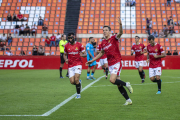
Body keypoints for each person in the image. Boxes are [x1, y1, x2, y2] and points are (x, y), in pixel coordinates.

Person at [86, 17, 133, 105]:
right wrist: (92, 60)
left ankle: (127, 84)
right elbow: (101, 53)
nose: (104, 31)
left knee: (112, 80)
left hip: (117, 61)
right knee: (118, 84)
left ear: (110, 31)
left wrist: (120, 25)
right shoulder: (103, 42)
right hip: (111, 64)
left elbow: (121, 33)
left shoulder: (114, 38)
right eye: (103, 30)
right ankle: (128, 100)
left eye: (106, 30)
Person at [63, 32, 86, 99]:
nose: (70, 39)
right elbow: (64, 54)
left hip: (78, 64)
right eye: (69, 38)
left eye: (71, 38)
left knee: (76, 79)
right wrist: (65, 59)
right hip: (70, 65)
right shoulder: (66, 46)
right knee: (72, 81)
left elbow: (85, 54)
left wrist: (82, 55)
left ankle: (78, 94)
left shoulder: (79, 45)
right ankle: (79, 83)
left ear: (74, 37)